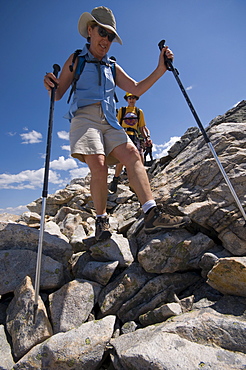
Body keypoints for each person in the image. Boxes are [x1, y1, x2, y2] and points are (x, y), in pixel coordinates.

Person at [44, 6, 190, 241]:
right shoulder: (75, 59)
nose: (106, 40)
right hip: (85, 117)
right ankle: (101, 220)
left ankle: (150, 213)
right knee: (99, 164)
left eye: (110, 36)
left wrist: (161, 68)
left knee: (133, 155)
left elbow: (136, 88)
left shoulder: (112, 65)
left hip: (110, 120)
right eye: (103, 33)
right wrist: (50, 83)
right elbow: (58, 93)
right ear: (90, 30)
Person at [109, 92, 152, 192]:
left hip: (135, 136)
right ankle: (115, 179)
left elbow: (141, 127)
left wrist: (146, 138)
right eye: (129, 98)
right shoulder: (122, 110)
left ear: (136, 99)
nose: (131, 99)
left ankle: (140, 182)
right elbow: (117, 124)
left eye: (133, 97)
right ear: (126, 99)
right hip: (124, 135)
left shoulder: (139, 111)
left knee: (140, 159)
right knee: (121, 159)